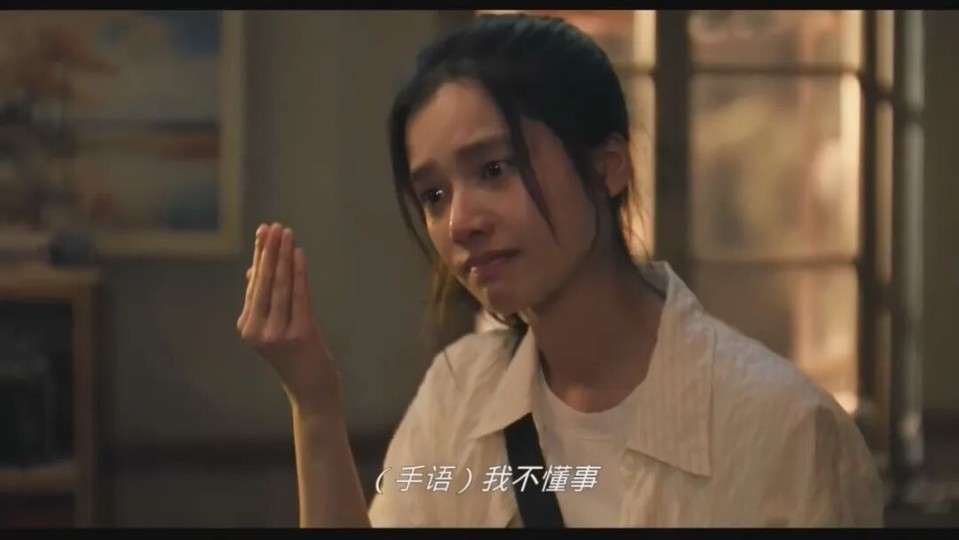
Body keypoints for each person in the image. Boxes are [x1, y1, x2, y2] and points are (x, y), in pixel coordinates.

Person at [236, 13, 883, 528]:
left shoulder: (784, 431)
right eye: (433, 194)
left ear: (607, 167)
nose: (460, 221)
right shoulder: (460, 395)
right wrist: (314, 403)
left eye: (494, 169)